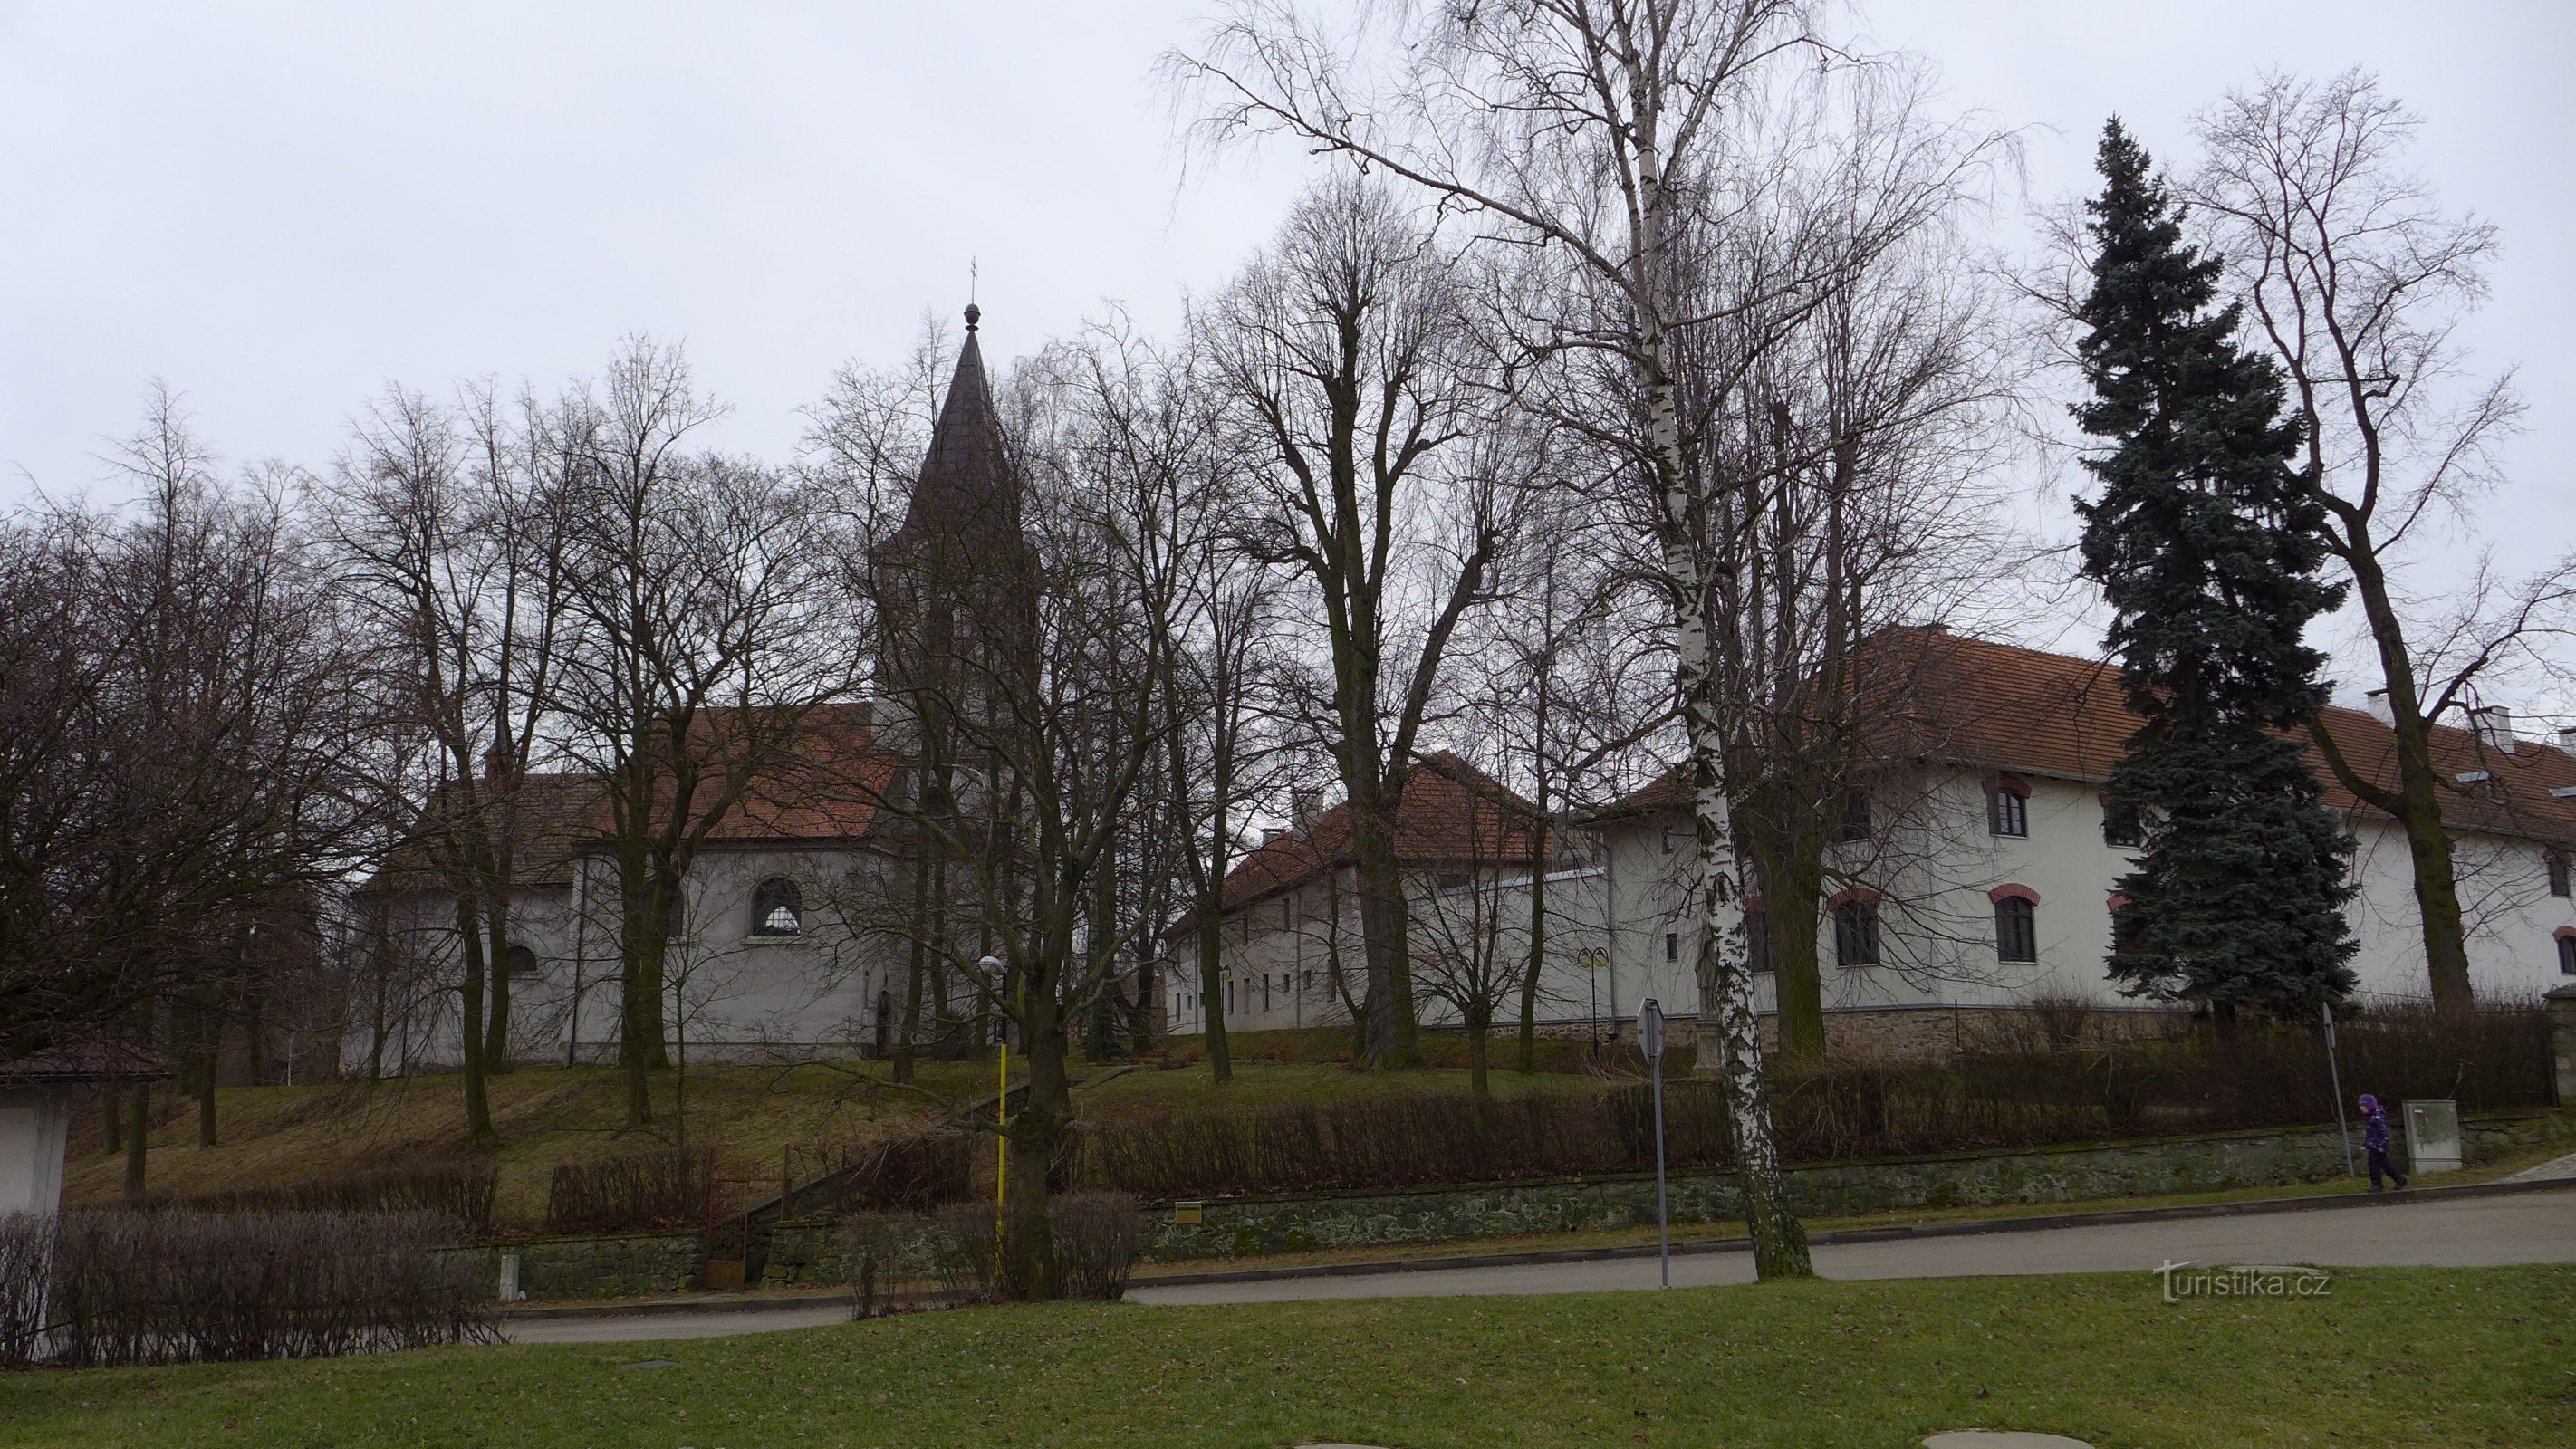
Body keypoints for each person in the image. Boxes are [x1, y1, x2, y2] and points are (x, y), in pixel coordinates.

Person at [2359, 1093, 2408, 1191]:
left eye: (2363, 1106)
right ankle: (2400, 1180)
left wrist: (2383, 1145)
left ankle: (2377, 1184)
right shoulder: (2373, 1117)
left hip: (2378, 1146)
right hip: (2374, 1146)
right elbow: (2372, 1133)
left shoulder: (2377, 1118)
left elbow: (2383, 1133)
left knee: (2374, 1165)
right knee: (2385, 1165)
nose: (2361, 1108)